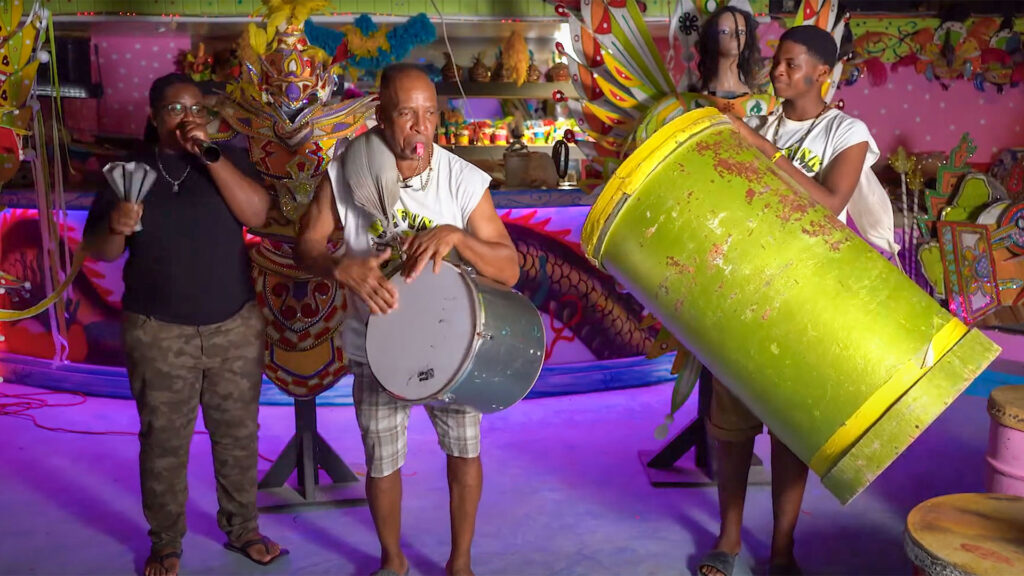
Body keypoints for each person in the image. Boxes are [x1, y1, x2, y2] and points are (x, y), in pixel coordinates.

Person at [295, 63, 519, 576]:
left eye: (430, 114)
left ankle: (459, 563)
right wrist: (336, 265)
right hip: (378, 347)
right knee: (382, 460)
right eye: (405, 114)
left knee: (464, 453)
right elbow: (306, 245)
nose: (420, 127)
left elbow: (509, 269)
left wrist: (457, 236)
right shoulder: (346, 170)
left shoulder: (462, 180)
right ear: (379, 116)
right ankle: (392, 561)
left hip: (454, 348)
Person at [84, 73, 286, 576]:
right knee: (164, 441)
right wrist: (117, 226)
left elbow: (258, 214)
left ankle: (244, 530)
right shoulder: (127, 172)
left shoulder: (227, 160)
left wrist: (211, 156)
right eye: (175, 109)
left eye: (197, 109)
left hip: (233, 325)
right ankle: (166, 544)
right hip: (158, 329)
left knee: (238, 435)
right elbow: (99, 251)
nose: (188, 117)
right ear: (154, 118)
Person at [698, 25, 879, 576]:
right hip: (747, 292)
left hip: (807, 298)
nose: (778, 72)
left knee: (789, 433)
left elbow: (827, 204)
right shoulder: (762, 122)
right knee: (730, 432)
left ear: (823, 72)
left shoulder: (845, 132)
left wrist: (758, 146)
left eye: (791, 64)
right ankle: (728, 542)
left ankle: (781, 549)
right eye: (777, 62)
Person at [695, 4, 768, 99]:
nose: (735, 36)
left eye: (741, 32)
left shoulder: (755, 96)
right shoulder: (701, 98)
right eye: (725, 31)